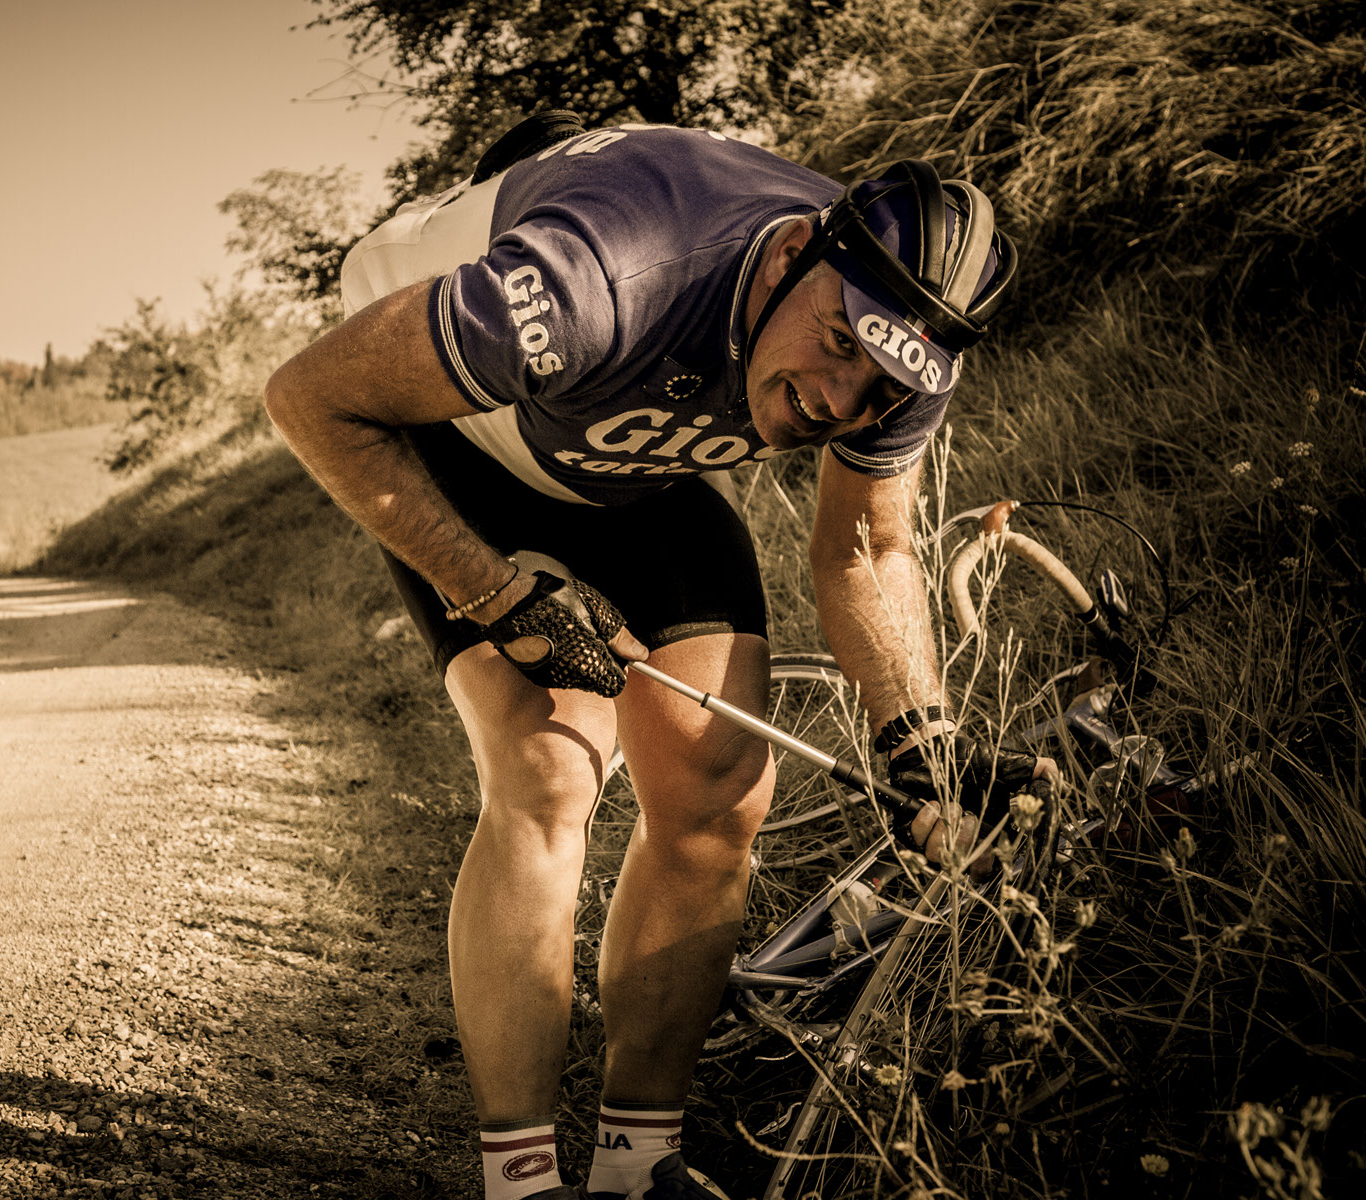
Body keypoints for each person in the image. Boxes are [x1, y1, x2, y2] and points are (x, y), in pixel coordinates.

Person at [263, 115, 1054, 1200]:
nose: (841, 402)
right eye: (837, 346)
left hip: (637, 446)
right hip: (467, 435)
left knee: (721, 779)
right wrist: (493, 593)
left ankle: (636, 1167)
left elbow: (870, 544)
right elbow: (309, 397)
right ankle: (521, 1180)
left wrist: (921, 742)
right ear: (788, 259)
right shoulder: (598, 276)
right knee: (550, 756)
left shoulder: (900, 337)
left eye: (880, 385)